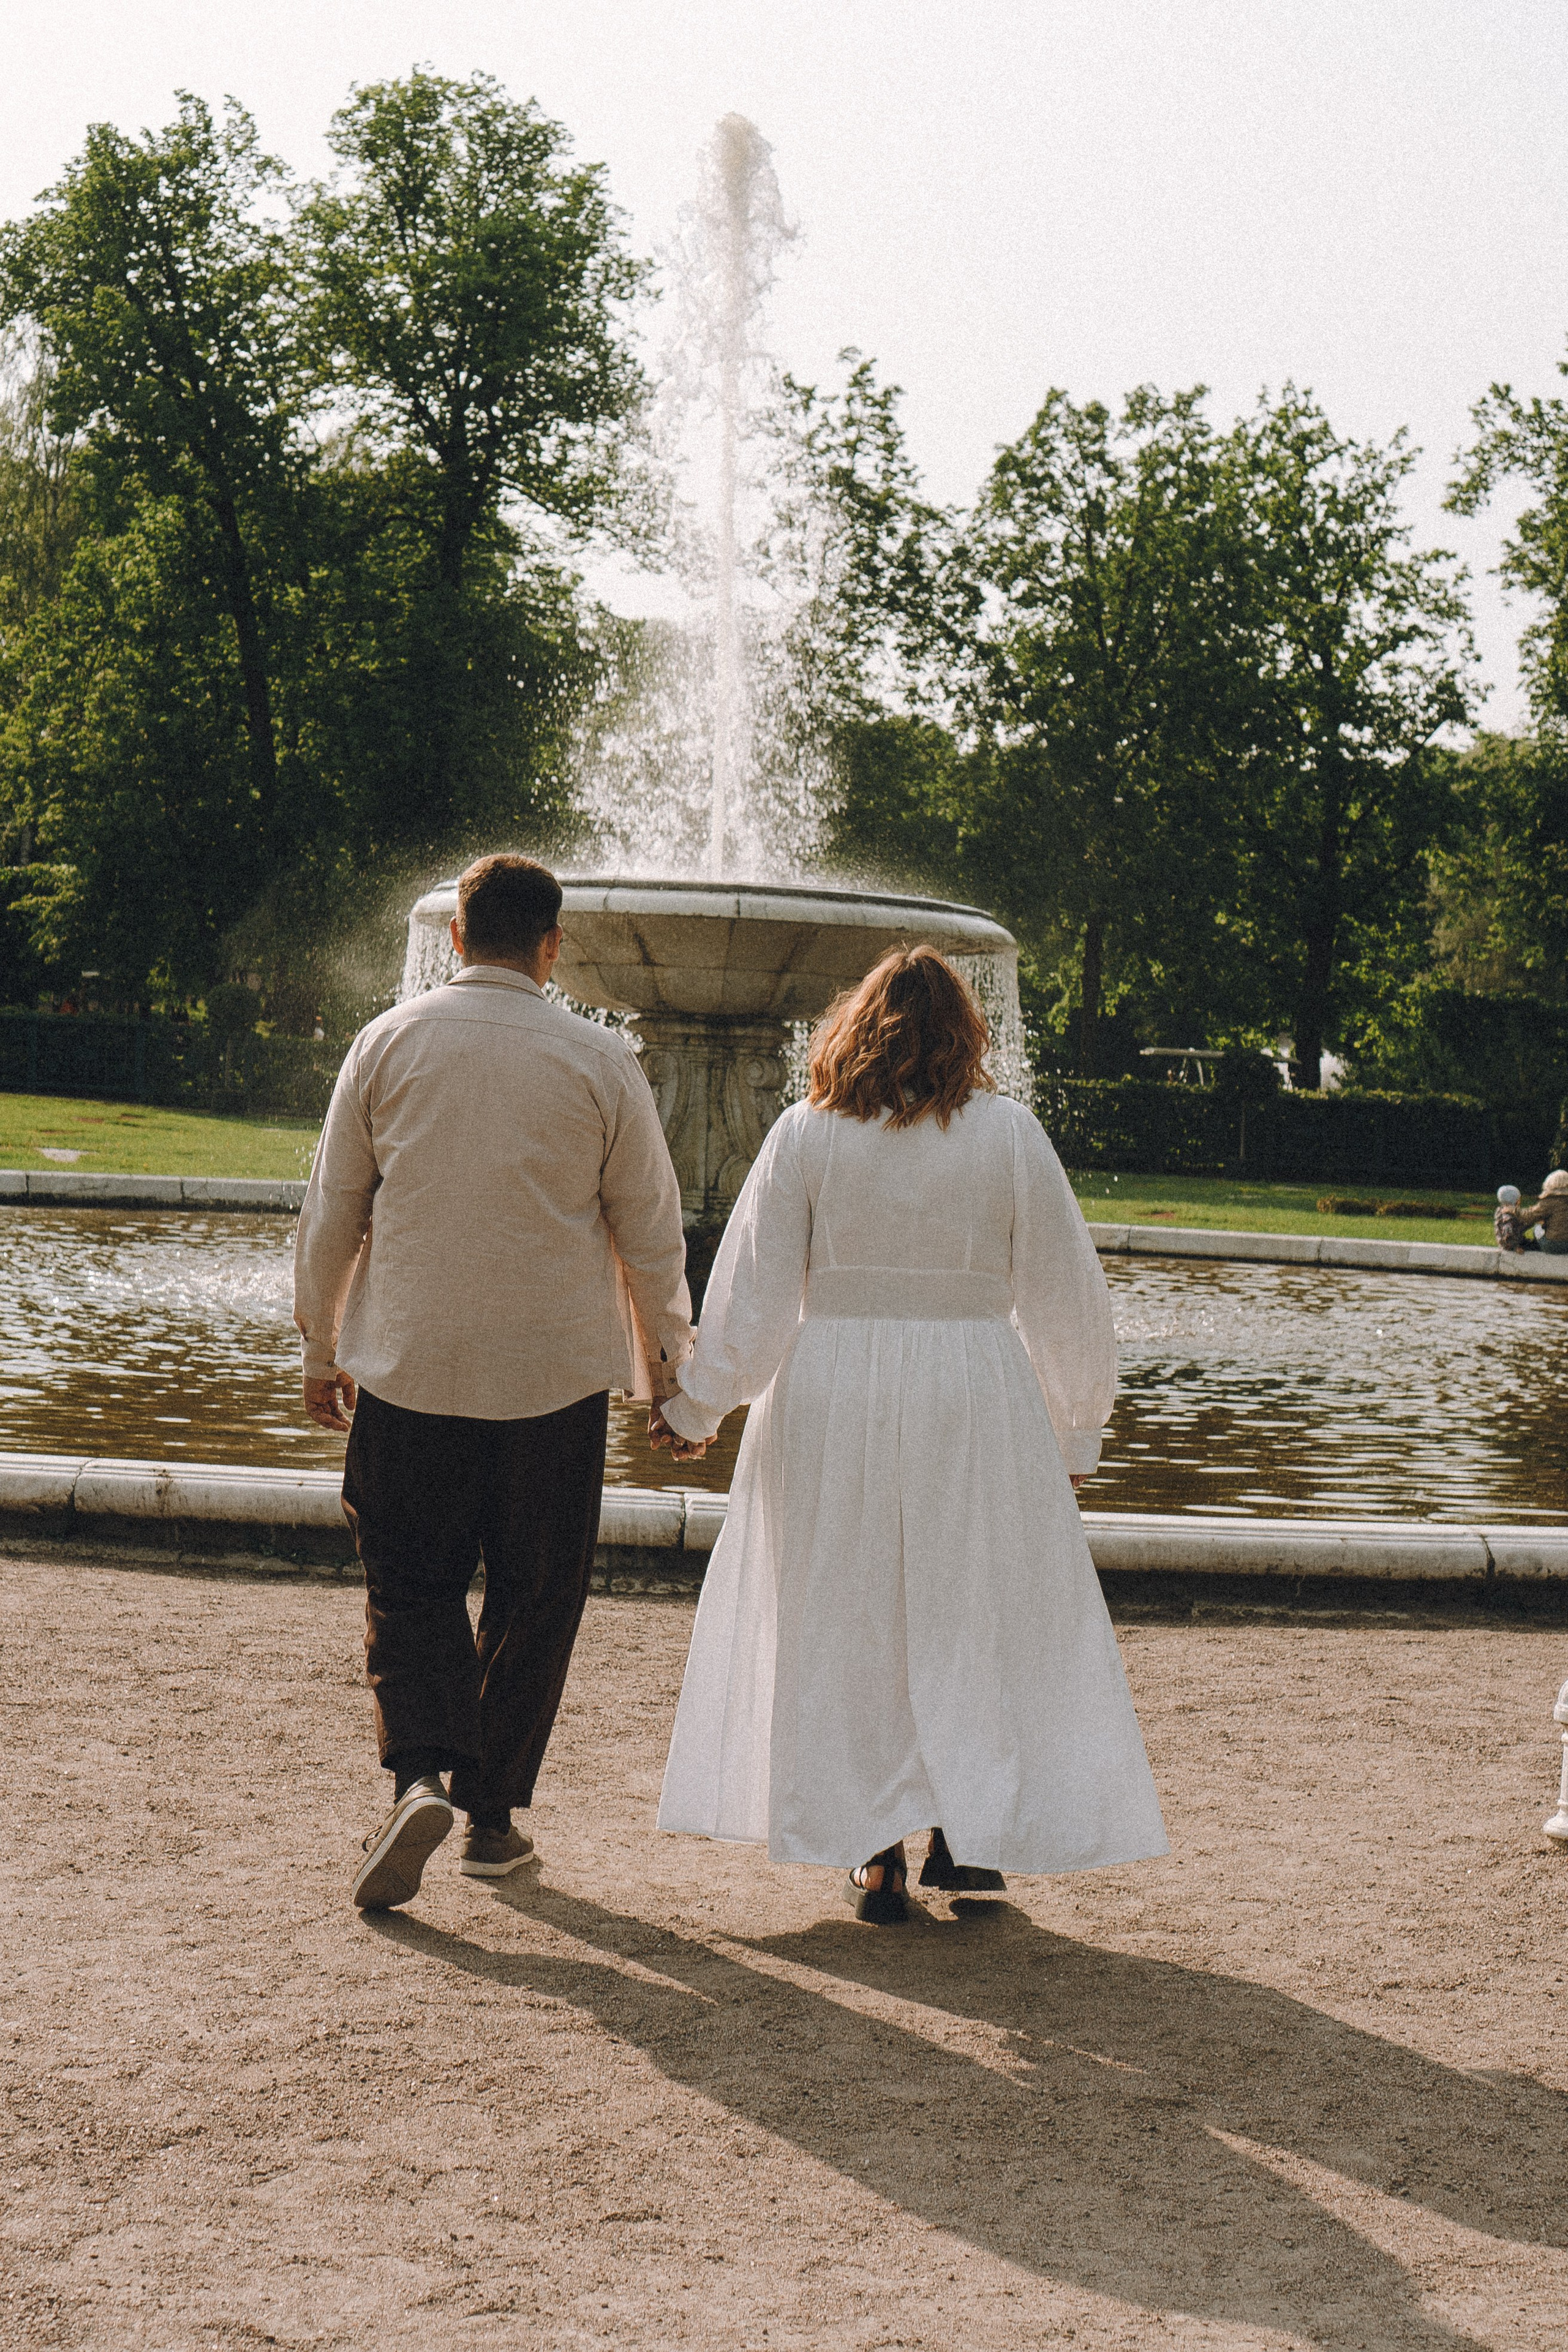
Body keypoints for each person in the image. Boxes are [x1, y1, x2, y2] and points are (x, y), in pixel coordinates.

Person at [649, 945, 1167, 1921]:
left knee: (848, 1612)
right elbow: (1067, 1293)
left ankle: (875, 1848)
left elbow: (753, 1293)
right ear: (967, 1035)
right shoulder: (1009, 1135)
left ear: (853, 1030)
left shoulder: (807, 1134)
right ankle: (966, 1844)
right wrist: (1078, 1428)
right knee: (970, 1608)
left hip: (834, 1385)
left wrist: (696, 1406)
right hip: (974, 1389)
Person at [294, 854, 693, 1912]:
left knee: (409, 1580)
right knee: (536, 1592)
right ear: (552, 946)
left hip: (411, 1364)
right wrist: (666, 1372)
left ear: (459, 938)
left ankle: (418, 1772)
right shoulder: (602, 1062)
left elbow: (334, 1210)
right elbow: (650, 1235)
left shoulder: (387, 1042)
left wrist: (317, 1347)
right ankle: (494, 1817)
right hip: (553, 1380)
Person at [1520, 1169, 1568, 1255]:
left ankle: (1534, 1246)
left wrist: (1513, 1210)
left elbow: (1530, 1216)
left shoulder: (1550, 1201)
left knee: (1537, 1227)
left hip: (1553, 1246)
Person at [1494, 1185, 1531, 1252]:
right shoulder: (1508, 1216)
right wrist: (1514, 1247)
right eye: (1519, 1199)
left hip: (1506, 1242)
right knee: (1535, 1245)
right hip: (1511, 1244)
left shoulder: (1500, 1211)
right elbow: (1508, 1231)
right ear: (1516, 1201)